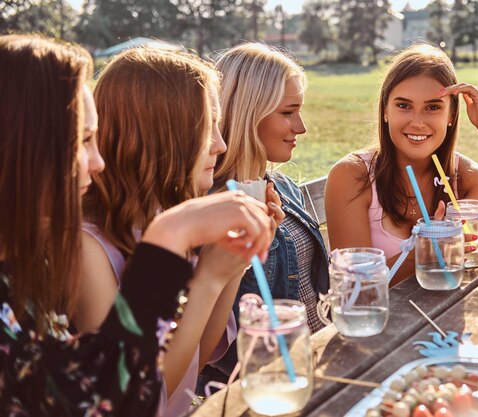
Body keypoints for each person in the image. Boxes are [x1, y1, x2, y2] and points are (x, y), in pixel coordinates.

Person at [0, 34, 273, 415]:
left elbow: (195, 355)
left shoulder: (19, 276)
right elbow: (122, 402)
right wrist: (170, 243)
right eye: (83, 140)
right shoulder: (78, 246)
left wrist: (225, 264)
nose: (98, 162)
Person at [75, 48, 282, 416]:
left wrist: (232, 264)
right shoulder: (89, 248)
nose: (220, 144)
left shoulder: (167, 216)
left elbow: (197, 357)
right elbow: (137, 397)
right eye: (208, 126)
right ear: (159, 134)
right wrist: (206, 280)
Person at [325, 43, 478, 284]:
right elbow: (355, 285)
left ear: (451, 115)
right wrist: (427, 249)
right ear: (385, 110)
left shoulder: (465, 177)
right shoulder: (351, 175)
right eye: (404, 106)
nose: (417, 122)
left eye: (432, 107)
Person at [206, 43, 330, 378]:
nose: (300, 127)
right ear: (249, 113)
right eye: (288, 112)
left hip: (320, 362)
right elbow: (213, 345)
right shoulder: (208, 211)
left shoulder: (285, 190)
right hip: (265, 382)